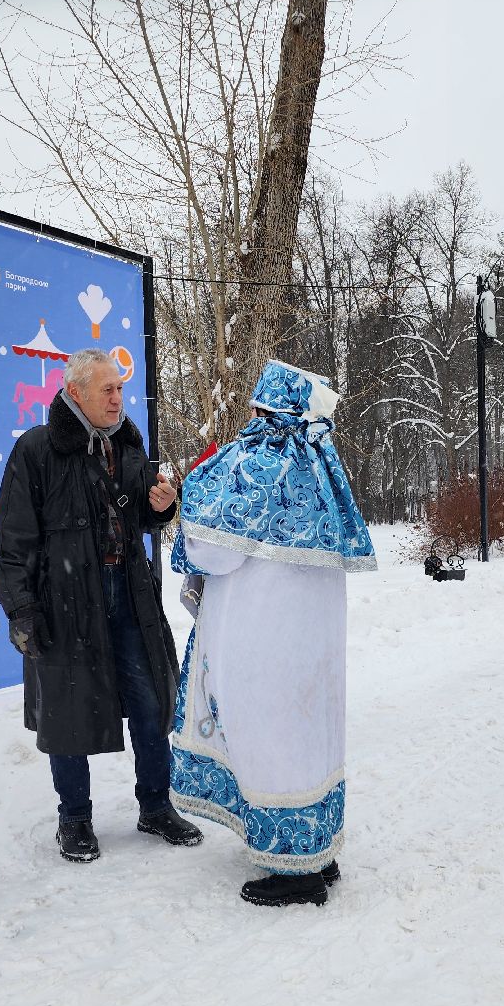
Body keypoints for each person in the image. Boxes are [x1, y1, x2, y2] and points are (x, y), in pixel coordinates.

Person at [170, 360, 377, 907]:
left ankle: (293, 871)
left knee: (269, 738)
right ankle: (315, 850)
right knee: (310, 740)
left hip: (260, 639)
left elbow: (211, 549)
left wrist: (192, 496)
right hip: (311, 645)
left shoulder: (258, 460)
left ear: (266, 406)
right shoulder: (320, 463)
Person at [0, 348, 202, 862]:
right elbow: (11, 543)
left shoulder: (127, 444)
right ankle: (75, 819)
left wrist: (162, 506)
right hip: (64, 603)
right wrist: (22, 610)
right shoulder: (36, 449)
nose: (117, 399)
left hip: (129, 595)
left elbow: (142, 516)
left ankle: (156, 807)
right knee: (68, 712)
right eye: (107, 389)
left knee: (150, 703)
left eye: (120, 389)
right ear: (75, 392)